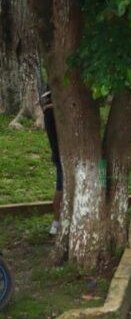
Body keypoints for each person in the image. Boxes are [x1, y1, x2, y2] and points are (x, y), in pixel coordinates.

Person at [41, 90, 62, 237]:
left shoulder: (52, 111)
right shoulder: (51, 113)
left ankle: (57, 223)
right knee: (61, 186)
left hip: (61, 155)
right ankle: (56, 222)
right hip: (61, 155)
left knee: (61, 186)